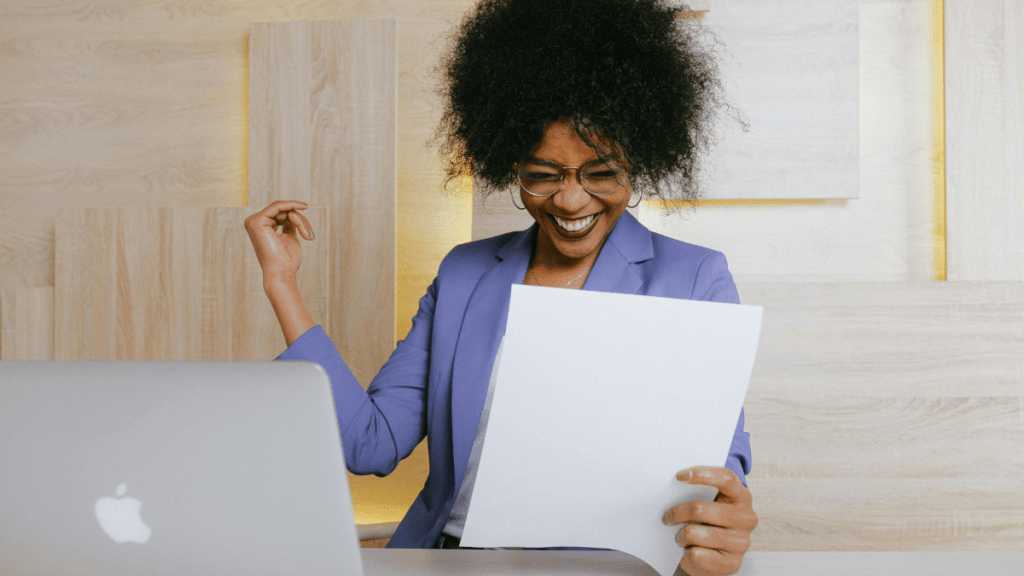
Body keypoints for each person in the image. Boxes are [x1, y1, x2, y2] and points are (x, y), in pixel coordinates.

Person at [244, 0, 757, 574]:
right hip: (449, 562)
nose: (570, 199)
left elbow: (720, 461)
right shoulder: (465, 273)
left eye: (600, 172)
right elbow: (370, 444)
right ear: (509, 165)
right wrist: (282, 283)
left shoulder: (692, 278)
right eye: (543, 174)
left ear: (637, 162)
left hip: (606, 568)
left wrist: (721, 521)